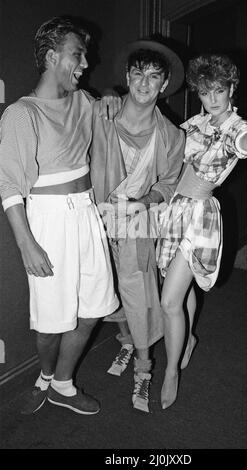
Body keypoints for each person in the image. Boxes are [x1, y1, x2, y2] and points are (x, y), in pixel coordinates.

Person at [157, 53, 247, 410]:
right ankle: (186, 340)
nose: (212, 98)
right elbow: (168, 143)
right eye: (205, 92)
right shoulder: (195, 122)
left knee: (168, 301)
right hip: (173, 210)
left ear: (231, 89)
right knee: (179, 286)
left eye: (218, 90)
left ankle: (171, 371)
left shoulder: (235, 124)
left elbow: (246, 138)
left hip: (200, 218)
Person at [0, 16, 121, 415]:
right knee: (52, 322)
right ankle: (46, 376)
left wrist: (109, 95)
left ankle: (63, 385)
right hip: (48, 221)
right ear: (52, 57)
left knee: (92, 310)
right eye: (77, 54)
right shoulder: (22, 114)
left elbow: (106, 106)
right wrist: (26, 244)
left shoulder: (83, 101)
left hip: (86, 213)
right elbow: (9, 186)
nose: (85, 62)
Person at [90, 40, 185, 412]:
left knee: (140, 295)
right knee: (108, 288)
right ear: (128, 77)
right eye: (138, 73)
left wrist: (143, 203)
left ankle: (144, 371)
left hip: (138, 224)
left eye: (154, 76)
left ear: (164, 86)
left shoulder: (172, 135)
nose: (144, 83)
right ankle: (127, 341)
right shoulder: (101, 113)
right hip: (97, 219)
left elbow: (170, 182)